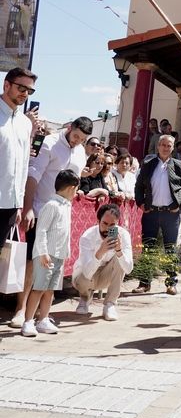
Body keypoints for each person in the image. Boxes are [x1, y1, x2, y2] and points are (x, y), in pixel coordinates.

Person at [11, 115, 91, 329]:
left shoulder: (81, 151)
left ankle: (42, 314)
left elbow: (75, 182)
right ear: (70, 127)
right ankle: (21, 308)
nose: (77, 141)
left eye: (82, 139)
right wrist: (28, 208)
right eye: (76, 136)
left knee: (54, 262)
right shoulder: (50, 142)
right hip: (40, 210)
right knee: (32, 261)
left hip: (63, 214)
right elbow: (34, 175)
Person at [133, 134, 181, 295]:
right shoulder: (148, 164)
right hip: (151, 212)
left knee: (170, 249)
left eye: (169, 145)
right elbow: (139, 186)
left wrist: (179, 204)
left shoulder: (180, 165)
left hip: (170, 214)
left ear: (173, 148)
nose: (166, 148)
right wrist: (140, 203)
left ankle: (171, 283)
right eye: (163, 145)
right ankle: (144, 283)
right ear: (158, 146)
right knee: (148, 248)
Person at [21, 169, 79, 336]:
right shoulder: (51, 205)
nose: (75, 193)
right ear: (70, 188)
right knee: (39, 288)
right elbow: (41, 231)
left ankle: (43, 319)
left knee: (50, 290)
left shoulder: (66, 205)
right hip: (45, 255)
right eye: (75, 189)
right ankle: (28, 321)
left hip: (59, 255)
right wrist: (43, 252)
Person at [72, 202, 133, 320]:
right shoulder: (87, 237)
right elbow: (86, 272)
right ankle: (85, 298)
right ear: (98, 221)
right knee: (82, 278)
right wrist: (100, 252)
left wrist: (119, 251)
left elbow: (128, 269)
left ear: (117, 223)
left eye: (112, 225)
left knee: (119, 259)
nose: (107, 228)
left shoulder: (123, 235)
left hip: (106, 276)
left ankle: (110, 304)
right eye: (104, 223)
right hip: (84, 278)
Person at [0, 66, 36, 252]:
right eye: (21, 88)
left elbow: (23, 165)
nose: (25, 94)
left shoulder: (25, 123)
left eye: (29, 91)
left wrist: (19, 205)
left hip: (10, 204)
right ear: (6, 85)